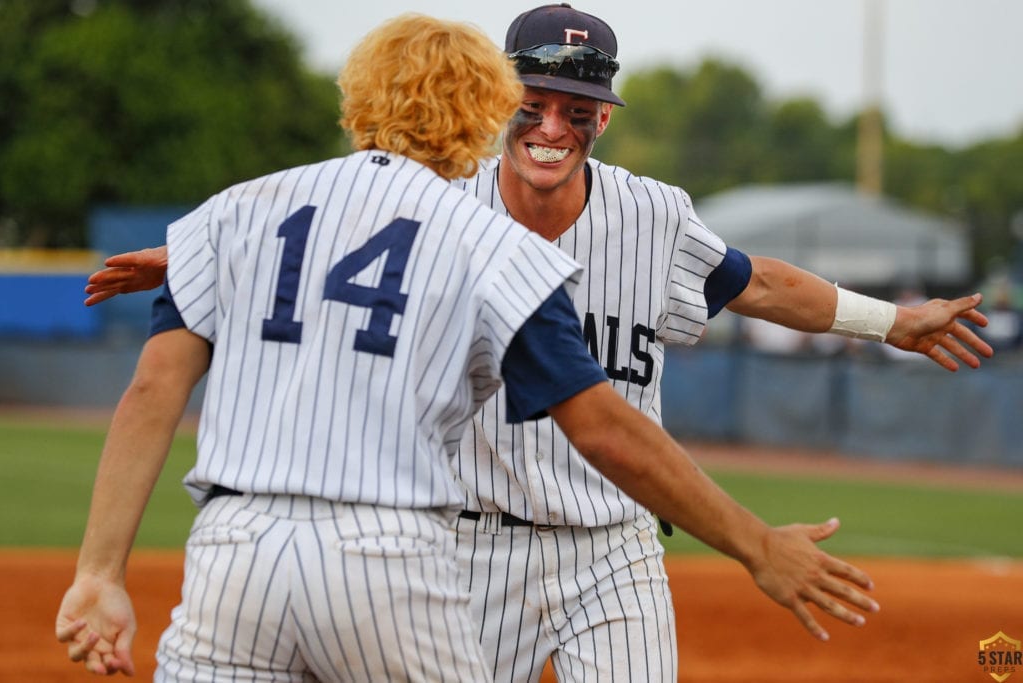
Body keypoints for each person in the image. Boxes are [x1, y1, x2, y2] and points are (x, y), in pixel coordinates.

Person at [80, 5, 991, 682]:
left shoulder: (650, 213)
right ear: (490, 102)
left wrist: (891, 320)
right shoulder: (477, 233)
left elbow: (759, 283)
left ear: (607, 116)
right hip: (456, 545)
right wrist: (755, 543)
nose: (553, 125)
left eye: (580, 106)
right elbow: (596, 419)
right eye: (534, 101)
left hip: (606, 544)